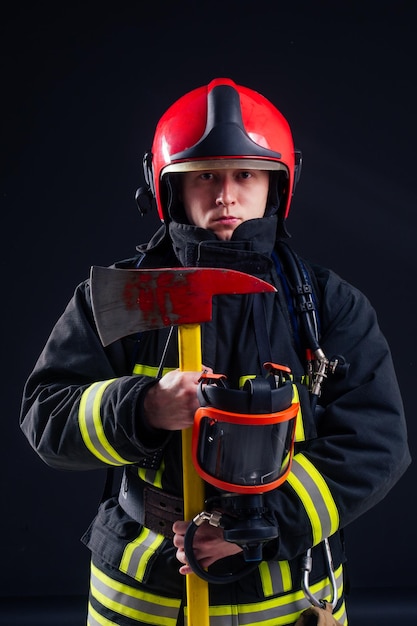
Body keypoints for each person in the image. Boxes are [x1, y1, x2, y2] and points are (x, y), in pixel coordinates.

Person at [20, 77, 410, 626]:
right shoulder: (117, 300)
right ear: (169, 187)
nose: (226, 194)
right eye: (204, 175)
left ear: (277, 185)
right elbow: (45, 419)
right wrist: (144, 407)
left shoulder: (326, 305)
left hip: (288, 594)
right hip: (143, 594)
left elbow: (378, 443)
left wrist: (258, 523)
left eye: (245, 174)